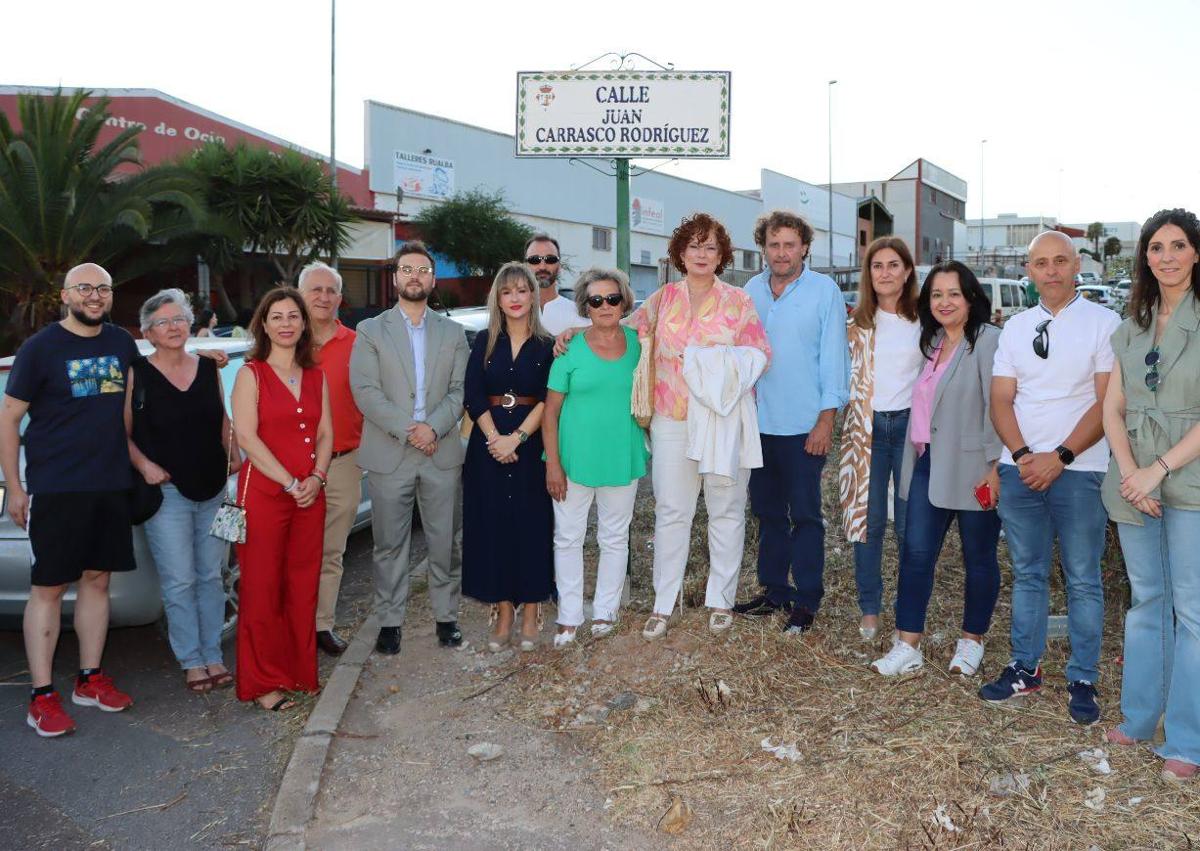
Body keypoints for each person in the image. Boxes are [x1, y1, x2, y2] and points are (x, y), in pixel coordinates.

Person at [980, 230, 1121, 725]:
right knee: (1029, 573)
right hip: (1020, 469)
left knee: (1083, 578)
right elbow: (1000, 399)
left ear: (1077, 263)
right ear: (1030, 269)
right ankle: (1025, 667)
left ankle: (1083, 677)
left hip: (1080, 469)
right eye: (1042, 262)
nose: (1052, 270)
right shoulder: (1015, 327)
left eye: (1061, 261)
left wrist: (1059, 456)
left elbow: (1107, 404)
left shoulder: (1105, 323)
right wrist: (1022, 455)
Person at [0, 263, 138, 736]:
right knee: (49, 588)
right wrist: (16, 488)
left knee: (97, 581)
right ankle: (41, 696)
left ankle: (89, 679)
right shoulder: (39, 349)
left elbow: (128, 405)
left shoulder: (121, 343)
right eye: (85, 288)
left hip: (108, 484)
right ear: (66, 295)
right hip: (56, 488)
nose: (94, 296)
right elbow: (9, 420)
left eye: (103, 288)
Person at [629, 213, 771, 639]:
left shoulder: (738, 302)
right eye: (694, 246)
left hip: (722, 420)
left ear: (722, 254)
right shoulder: (660, 300)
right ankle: (663, 602)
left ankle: (721, 599)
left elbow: (760, 353)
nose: (702, 254)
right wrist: (577, 333)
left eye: (710, 247)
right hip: (672, 418)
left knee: (725, 509)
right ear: (680, 254)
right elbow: (623, 333)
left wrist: (718, 369)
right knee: (673, 511)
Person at [1100, 208, 1200, 782]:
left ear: (1195, 253)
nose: (1165, 256)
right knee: (1146, 602)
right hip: (1132, 476)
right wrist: (1131, 470)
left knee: (1191, 610)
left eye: (1177, 245)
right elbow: (1113, 406)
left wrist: (1158, 469)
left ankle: (1186, 740)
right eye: (1156, 247)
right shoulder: (1132, 321)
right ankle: (1140, 718)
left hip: (1186, 475)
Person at [869, 262, 1003, 676]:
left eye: (953, 294)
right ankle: (908, 645)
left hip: (973, 468)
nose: (945, 302)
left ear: (971, 298)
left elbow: (999, 406)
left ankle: (971, 641)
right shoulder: (932, 343)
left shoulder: (987, 341)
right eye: (936, 295)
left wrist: (995, 465)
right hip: (928, 463)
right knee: (915, 554)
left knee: (978, 557)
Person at [351, 242, 469, 656]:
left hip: (441, 451)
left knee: (444, 540)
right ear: (396, 278)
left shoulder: (453, 333)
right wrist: (410, 430)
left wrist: (432, 427)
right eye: (407, 269)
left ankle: (446, 617)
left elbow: (459, 391)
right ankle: (389, 621)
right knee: (388, 543)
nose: (414, 276)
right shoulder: (370, 330)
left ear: (432, 280)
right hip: (390, 451)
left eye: (423, 269)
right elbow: (365, 391)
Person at [733, 210, 848, 633]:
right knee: (766, 512)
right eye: (774, 244)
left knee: (805, 515)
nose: (782, 253)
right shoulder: (749, 291)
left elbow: (836, 359)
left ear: (804, 248)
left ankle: (806, 599)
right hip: (759, 423)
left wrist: (825, 421)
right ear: (763, 247)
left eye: (790, 244)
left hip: (804, 425)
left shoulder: (824, 291)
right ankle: (775, 591)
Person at [127, 289, 238, 693]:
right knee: (179, 582)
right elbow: (120, 434)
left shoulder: (209, 370)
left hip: (215, 490)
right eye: (162, 322)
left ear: (190, 325)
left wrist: (237, 458)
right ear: (148, 332)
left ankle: (213, 656)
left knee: (211, 577)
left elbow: (222, 422)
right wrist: (144, 465)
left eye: (178, 319)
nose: (172, 327)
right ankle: (191, 661)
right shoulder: (136, 373)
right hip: (168, 495)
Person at [231, 287, 332, 711]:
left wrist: (317, 477)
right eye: (277, 317)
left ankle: (299, 672)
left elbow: (326, 431)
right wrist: (291, 482)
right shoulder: (249, 373)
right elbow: (247, 438)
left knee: (302, 585)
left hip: (310, 494)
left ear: (304, 324)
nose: (286, 324)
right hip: (266, 496)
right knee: (262, 588)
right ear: (264, 325)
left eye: (294, 316)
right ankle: (261, 683)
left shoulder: (316, 374)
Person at [543, 268, 648, 647]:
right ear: (585, 306)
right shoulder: (569, 348)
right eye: (596, 300)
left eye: (612, 298)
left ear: (624, 302)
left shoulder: (641, 343)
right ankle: (569, 616)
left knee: (615, 538)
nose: (605, 306)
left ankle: (605, 612)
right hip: (573, 461)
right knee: (568, 539)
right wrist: (552, 463)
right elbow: (551, 412)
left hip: (622, 455)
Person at [462, 262, 555, 650]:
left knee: (532, 527)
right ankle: (503, 611)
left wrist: (515, 438)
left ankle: (532, 610)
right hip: (487, 449)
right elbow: (473, 395)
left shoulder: (549, 345)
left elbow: (551, 399)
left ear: (533, 295)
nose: (515, 298)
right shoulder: (483, 341)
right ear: (497, 299)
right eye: (507, 292)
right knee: (493, 528)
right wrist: (495, 439)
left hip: (531, 447)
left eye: (522, 290)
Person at [838, 237, 924, 641]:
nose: (885, 273)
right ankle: (869, 609)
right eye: (877, 266)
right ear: (868, 274)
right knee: (867, 523)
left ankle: (909, 614)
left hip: (911, 430)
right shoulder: (856, 325)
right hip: (867, 430)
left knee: (911, 526)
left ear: (907, 271)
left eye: (893, 265)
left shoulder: (927, 321)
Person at [298, 262, 364, 656]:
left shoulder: (357, 343)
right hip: (292, 466)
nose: (323, 297)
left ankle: (321, 625)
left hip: (343, 462)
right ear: (300, 294)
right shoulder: (284, 339)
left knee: (331, 552)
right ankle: (292, 627)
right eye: (315, 290)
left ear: (340, 297)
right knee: (294, 552)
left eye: (330, 291)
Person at [527, 233, 589, 337]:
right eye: (534, 260)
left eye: (550, 259)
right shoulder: (511, 310)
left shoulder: (577, 313)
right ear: (525, 266)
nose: (542, 266)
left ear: (559, 266)